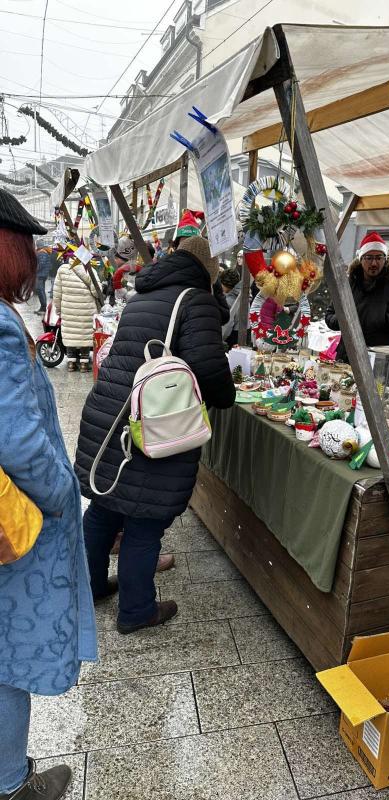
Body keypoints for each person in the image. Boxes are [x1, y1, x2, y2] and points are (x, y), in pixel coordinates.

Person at [74, 235, 236, 634]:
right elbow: (208, 367)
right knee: (145, 520)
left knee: (104, 509)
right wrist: (225, 396)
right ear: (208, 271)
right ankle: (136, 611)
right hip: (152, 421)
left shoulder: (142, 293)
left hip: (111, 413)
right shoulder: (195, 300)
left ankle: (90, 587)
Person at [0, 189, 97, 800]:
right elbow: (16, 439)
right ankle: (11, 782)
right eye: (26, 244)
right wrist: (64, 492)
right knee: (7, 657)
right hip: (14, 528)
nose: (34, 257)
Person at [325, 232, 389, 362]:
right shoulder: (348, 285)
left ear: (385, 259)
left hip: (379, 360)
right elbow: (329, 315)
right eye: (369, 258)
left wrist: (384, 319)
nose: (374, 263)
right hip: (346, 357)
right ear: (361, 259)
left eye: (379, 257)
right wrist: (344, 320)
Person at [52, 254, 99, 372]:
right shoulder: (90, 270)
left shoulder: (62, 269)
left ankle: (71, 363)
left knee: (71, 335)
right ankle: (84, 364)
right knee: (84, 336)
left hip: (68, 310)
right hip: (87, 310)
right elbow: (97, 292)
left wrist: (59, 310)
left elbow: (57, 294)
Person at [221, 268, 243, 348]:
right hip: (243, 332)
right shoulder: (243, 294)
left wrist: (221, 338)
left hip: (231, 338)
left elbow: (228, 325)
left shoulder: (229, 300)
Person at [34, 245, 51, 315]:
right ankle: (43, 307)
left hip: (40, 275)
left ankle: (43, 308)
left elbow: (41, 264)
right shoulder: (43, 253)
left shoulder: (42, 253)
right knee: (41, 290)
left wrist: (34, 270)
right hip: (42, 274)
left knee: (40, 291)